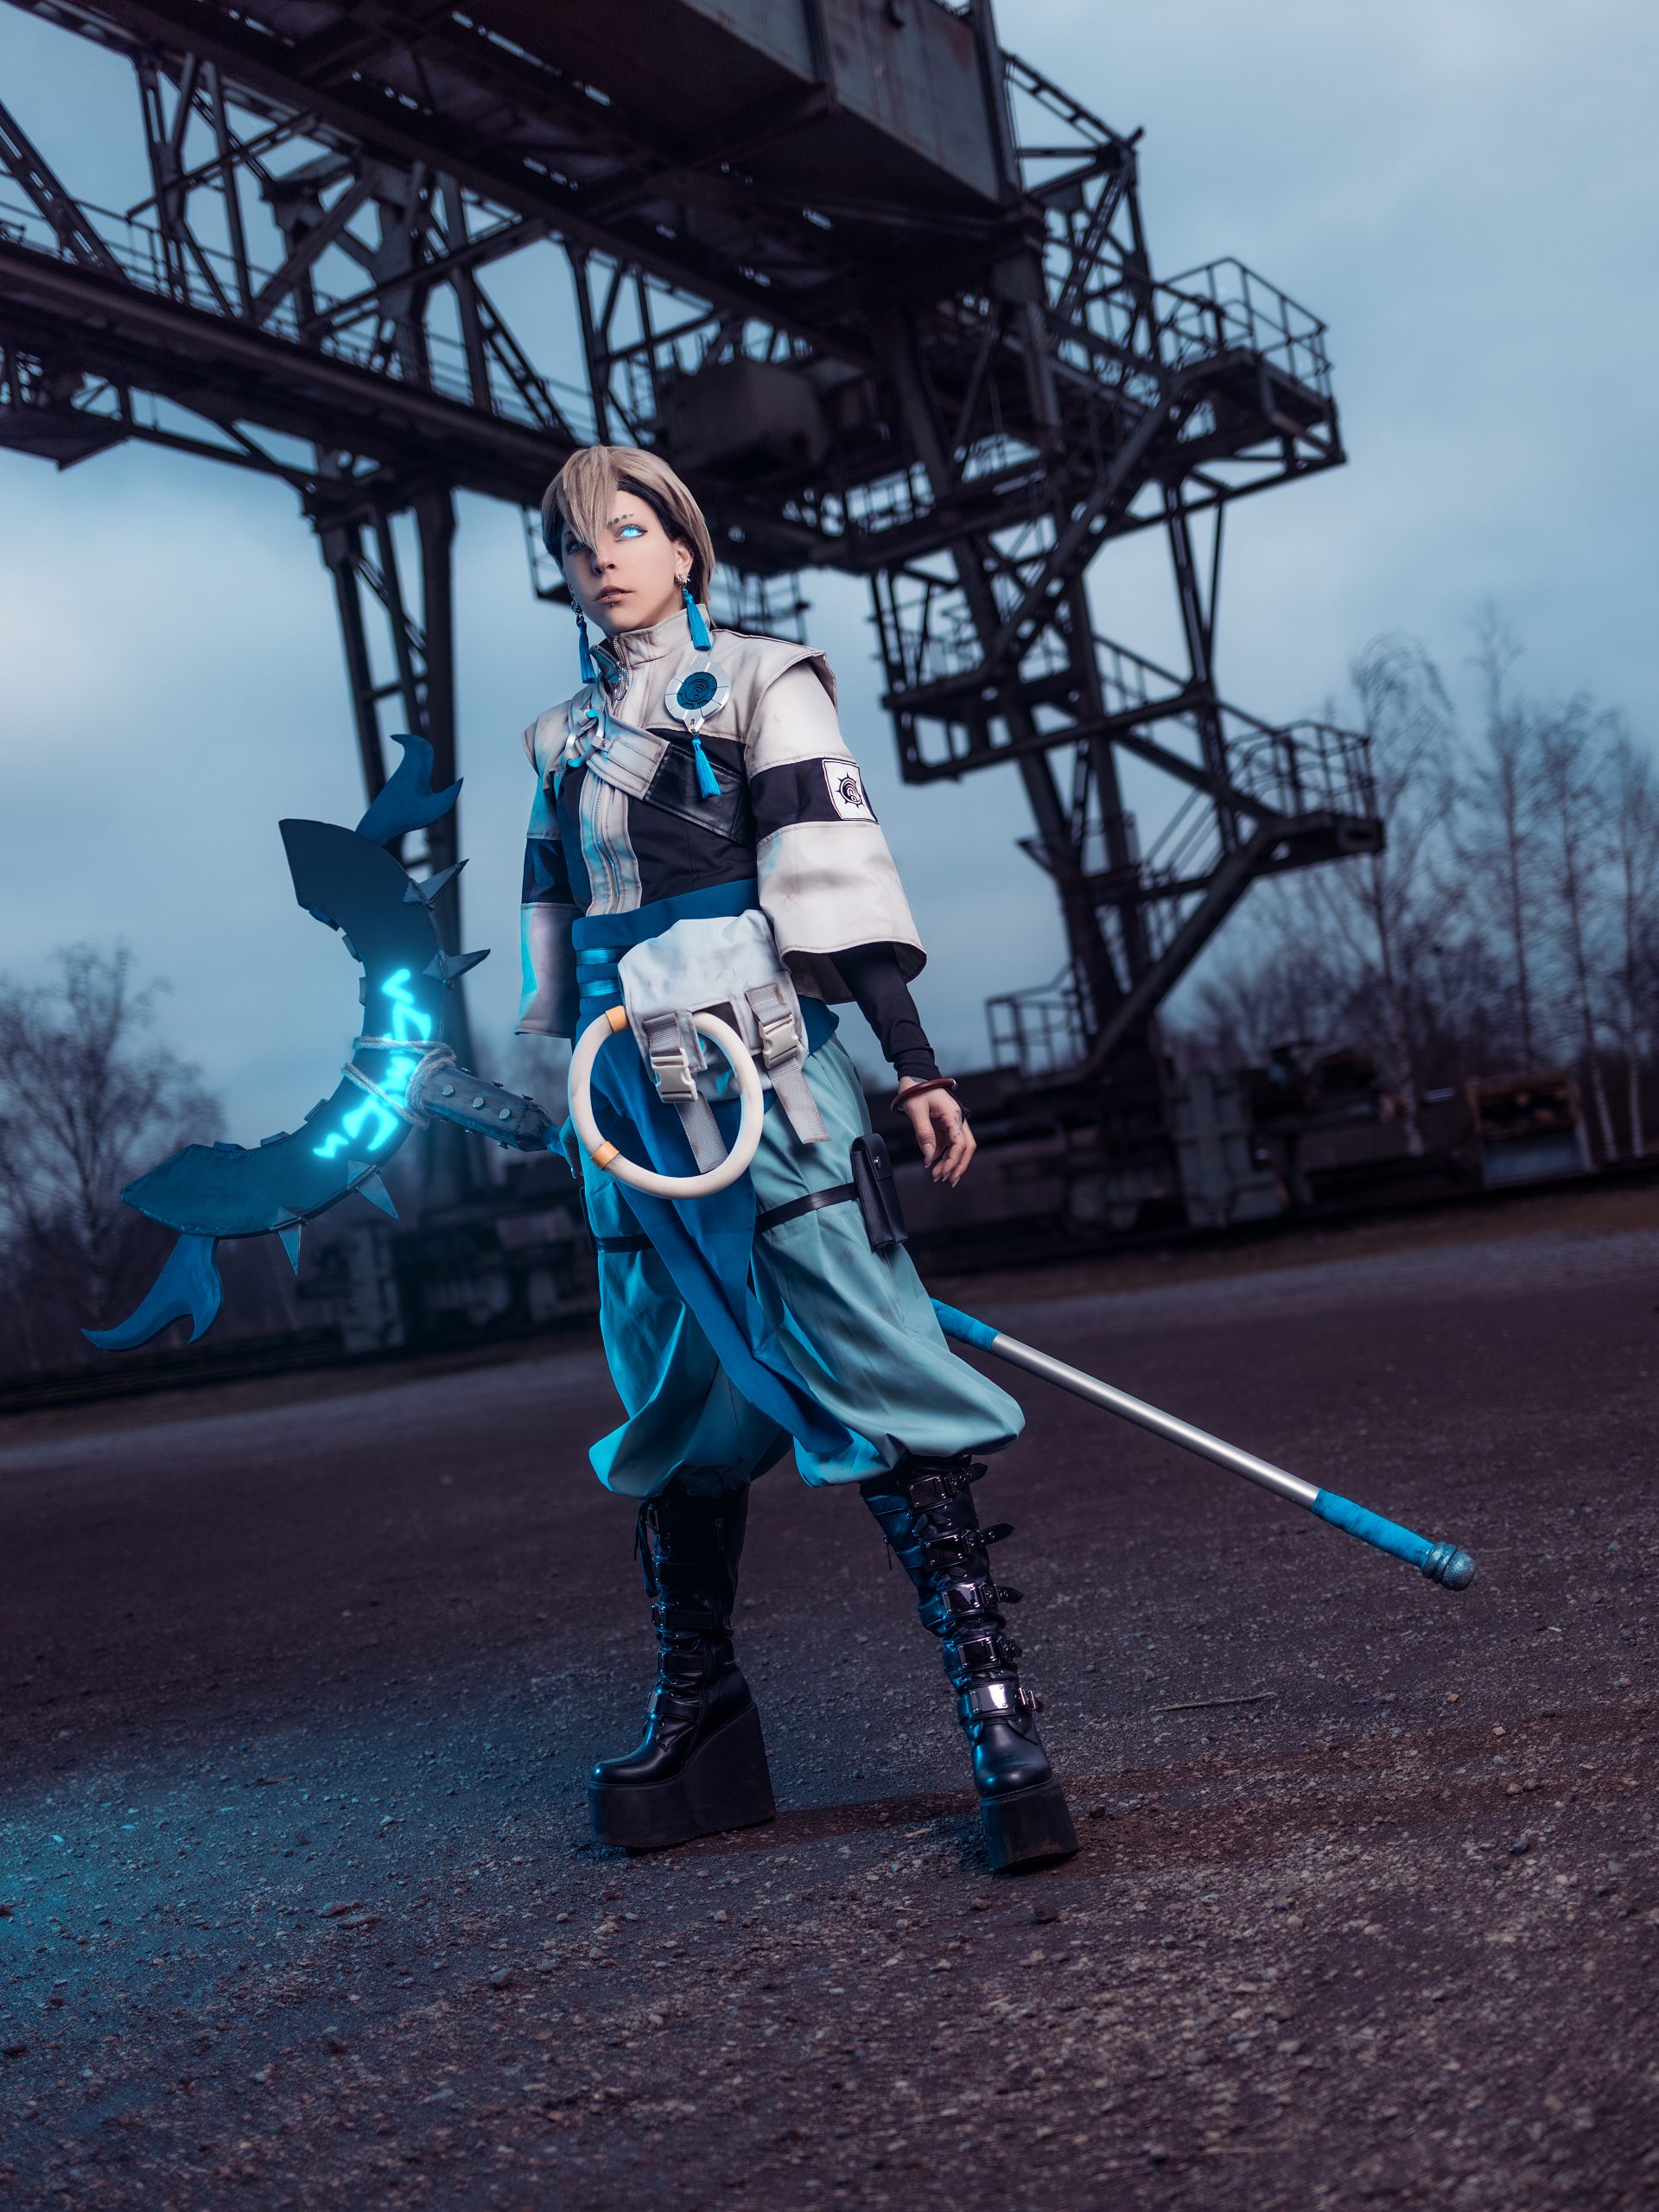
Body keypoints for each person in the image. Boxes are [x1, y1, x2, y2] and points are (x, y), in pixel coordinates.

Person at [518, 445, 1076, 1872]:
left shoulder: (770, 682)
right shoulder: (557, 740)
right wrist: (563, 1088)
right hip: (621, 1101)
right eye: (579, 544)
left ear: (683, 547)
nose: (604, 559)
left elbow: (834, 879)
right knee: (668, 1392)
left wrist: (915, 1062)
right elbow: (556, 924)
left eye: (628, 530)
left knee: (874, 1358)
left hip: (767, 1075)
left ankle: (998, 1716)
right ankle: (703, 1716)